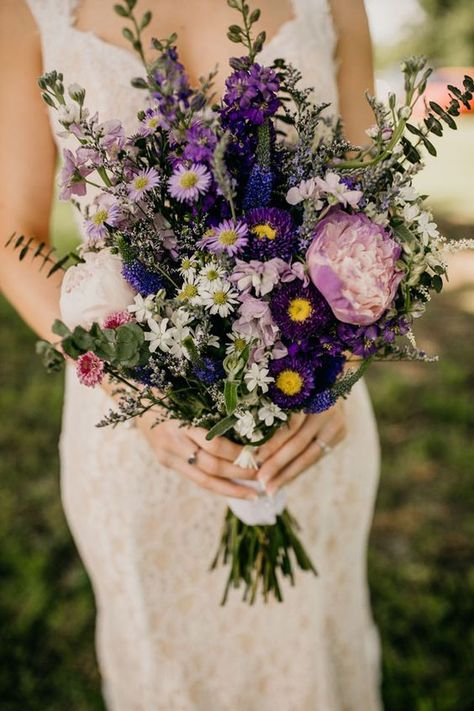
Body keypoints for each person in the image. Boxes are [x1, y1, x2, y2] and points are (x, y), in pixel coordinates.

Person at [0, 1, 383, 709]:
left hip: (312, 421)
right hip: (139, 438)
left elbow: (372, 216)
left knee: (315, 659)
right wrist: (134, 386)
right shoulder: (27, 12)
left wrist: (344, 368)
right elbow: (13, 239)